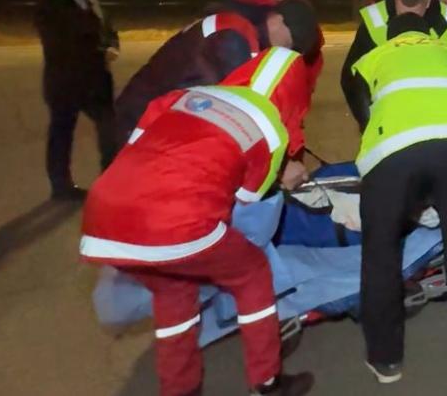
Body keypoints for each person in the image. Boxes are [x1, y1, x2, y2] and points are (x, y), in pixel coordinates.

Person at [79, 47, 315, 396]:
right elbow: (248, 209)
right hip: (177, 223)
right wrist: (282, 180)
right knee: (252, 274)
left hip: (104, 217)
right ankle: (267, 382)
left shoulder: (187, 96)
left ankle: (181, 388)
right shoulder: (271, 129)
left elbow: (139, 146)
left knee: (174, 294)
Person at [350, 12, 447, 383]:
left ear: (390, 37)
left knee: (381, 252)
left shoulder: (375, 57)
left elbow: (364, 112)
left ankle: (386, 360)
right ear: (426, 33)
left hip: (395, 152)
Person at [113, 0, 319, 145]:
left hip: (153, 125)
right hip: (141, 127)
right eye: (291, 42)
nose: (287, 51)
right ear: (276, 20)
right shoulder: (234, 39)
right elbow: (227, 112)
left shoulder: (244, 33)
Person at [34, 0, 121, 200]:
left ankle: (111, 180)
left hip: (98, 82)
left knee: (110, 129)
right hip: (66, 82)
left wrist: (113, 46)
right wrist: (100, 51)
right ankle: (61, 186)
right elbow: (59, 44)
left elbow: (110, 32)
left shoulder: (94, 3)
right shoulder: (49, 7)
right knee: (62, 133)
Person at [340, 0, 447, 132]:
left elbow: (352, 79)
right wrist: (368, 123)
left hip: (424, 115)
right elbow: (351, 79)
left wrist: (368, 123)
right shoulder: (375, 21)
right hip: (403, 115)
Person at [212, 0, 325, 93]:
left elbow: (314, 51)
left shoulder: (301, 9)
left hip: (292, 86)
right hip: (248, 87)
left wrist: (304, 84)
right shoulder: (242, 7)